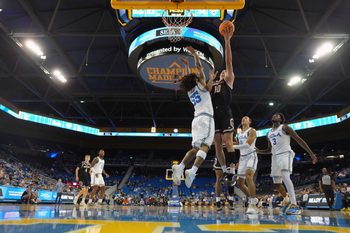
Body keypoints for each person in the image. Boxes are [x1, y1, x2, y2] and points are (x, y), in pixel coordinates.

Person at [257, 112, 317, 215]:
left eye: (277, 115)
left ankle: (294, 204)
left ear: (281, 119)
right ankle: (287, 199)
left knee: (285, 176)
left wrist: (311, 154)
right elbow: (269, 149)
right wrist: (258, 151)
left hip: (285, 154)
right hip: (275, 157)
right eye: (274, 114)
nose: (275, 115)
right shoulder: (268, 133)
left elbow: (299, 140)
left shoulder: (284, 127)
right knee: (277, 183)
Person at [172, 46, 214, 188]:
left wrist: (186, 66)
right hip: (206, 118)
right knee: (206, 146)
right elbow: (200, 67)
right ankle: (193, 170)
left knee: (196, 149)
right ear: (196, 79)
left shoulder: (190, 90)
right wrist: (195, 54)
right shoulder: (201, 84)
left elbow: (187, 78)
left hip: (196, 120)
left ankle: (181, 166)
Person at [207, 25, 236, 180]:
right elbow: (206, 90)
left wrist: (227, 41)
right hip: (214, 114)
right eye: (223, 71)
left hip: (225, 111)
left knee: (227, 141)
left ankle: (232, 169)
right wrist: (211, 79)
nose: (225, 71)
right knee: (217, 144)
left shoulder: (228, 81)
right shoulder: (215, 83)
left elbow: (229, 61)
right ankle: (225, 169)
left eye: (226, 71)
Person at [234, 116, 258, 214]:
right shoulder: (239, 134)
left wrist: (232, 146)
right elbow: (239, 147)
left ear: (250, 121)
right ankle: (253, 199)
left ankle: (252, 204)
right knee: (240, 184)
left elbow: (247, 145)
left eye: (247, 118)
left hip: (251, 156)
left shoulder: (252, 130)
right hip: (242, 157)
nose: (244, 118)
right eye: (243, 118)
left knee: (248, 176)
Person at [213, 144, 235, 211]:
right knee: (218, 178)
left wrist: (229, 144)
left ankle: (231, 200)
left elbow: (236, 142)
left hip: (230, 154)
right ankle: (218, 201)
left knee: (230, 178)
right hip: (220, 153)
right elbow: (213, 142)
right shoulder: (216, 133)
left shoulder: (233, 133)